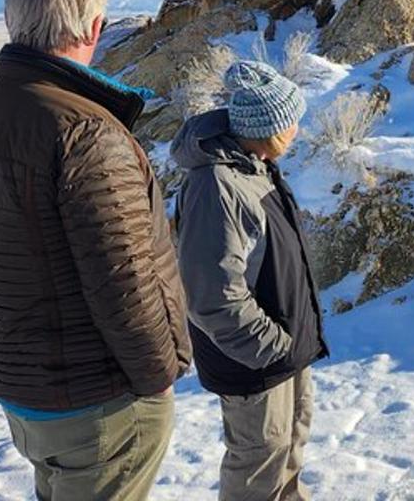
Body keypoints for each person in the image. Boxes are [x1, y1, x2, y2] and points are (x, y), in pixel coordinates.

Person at [0, 0, 192, 500]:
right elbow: (124, 280)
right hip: (96, 399)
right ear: (93, 27)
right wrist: (160, 375)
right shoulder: (85, 133)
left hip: (22, 381)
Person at [172, 60, 328, 501]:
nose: (298, 128)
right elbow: (211, 295)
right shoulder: (217, 185)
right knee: (257, 468)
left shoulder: (252, 165)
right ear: (270, 128)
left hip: (284, 351)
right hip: (255, 360)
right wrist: (272, 348)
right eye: (291, 120)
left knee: (288, 452)